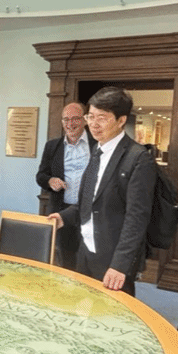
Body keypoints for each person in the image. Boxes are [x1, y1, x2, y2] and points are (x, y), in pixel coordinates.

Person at [48, 87, 156, 296]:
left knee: (113, 311)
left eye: (102, 118)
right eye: (90, 116)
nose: (94, 124)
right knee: (83, 304)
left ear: (121, 120)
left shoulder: (138, 158)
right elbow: (88, 201)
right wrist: (64, 217)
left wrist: (120, 265)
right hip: (86, 249)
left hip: (113, 257)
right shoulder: (97, 150)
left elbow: (137, 217)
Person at [36, 102, 97, 269]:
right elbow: (41, 175)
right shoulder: (52, 146)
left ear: (85, 120)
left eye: (75, 119)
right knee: (66, 259)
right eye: (66, 119)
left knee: (90, 259)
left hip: (90, 212)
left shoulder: (97, 145)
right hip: (62, 212)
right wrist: (50, 181)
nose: (70, 124)